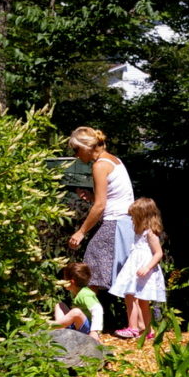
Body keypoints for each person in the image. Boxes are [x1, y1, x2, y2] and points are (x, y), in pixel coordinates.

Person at [66, 127, 136, 329]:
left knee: (90, 272)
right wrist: (90, 198)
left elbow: (100, 206)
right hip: (126, 222)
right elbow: (107, 198)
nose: (76, 156)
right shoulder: (113, 160)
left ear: (86, 148)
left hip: (114, 223)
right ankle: (135, 325)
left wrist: (81, 232)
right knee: (123, 273)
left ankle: (84, 324)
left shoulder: (99, 166)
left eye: (77, 150)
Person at [108, 197, 167, 340]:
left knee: (137, 298)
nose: (132, 219)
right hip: (134, 267)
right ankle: (146, 329)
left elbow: (158, 253)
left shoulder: (150, 234)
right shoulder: (139, 232)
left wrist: (147, 267)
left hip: (143, 269)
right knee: (136, 298)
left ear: (143, 216)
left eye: (134, 216)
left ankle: (134, 327)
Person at [52, 262, 102, 341]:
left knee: (76, 312)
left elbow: (98, 309)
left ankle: (54, 325)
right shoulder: (78, 292)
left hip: (88, 330)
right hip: (78, 325)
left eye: (65, 279)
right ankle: (60, 329)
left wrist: (94, 331)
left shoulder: (85, 294)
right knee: (60, 305)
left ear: (72, 282)